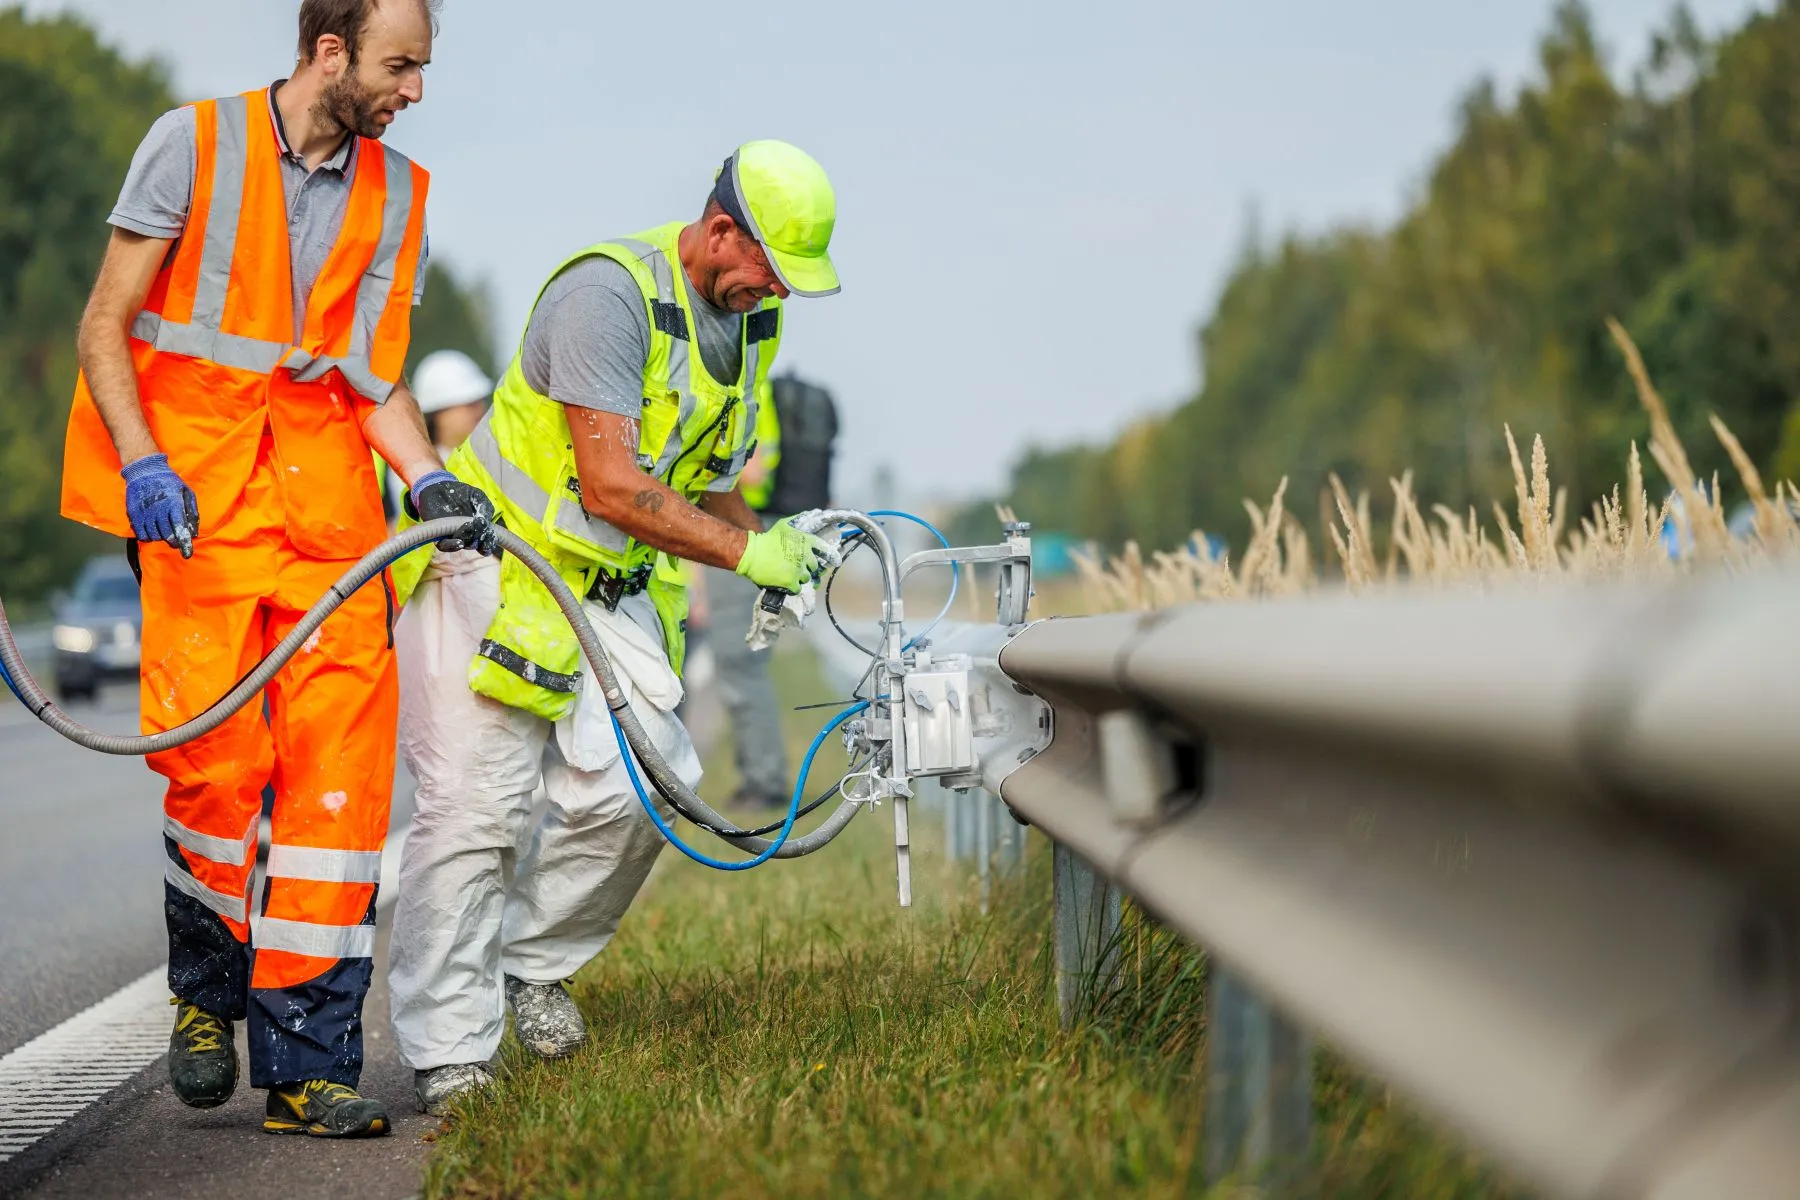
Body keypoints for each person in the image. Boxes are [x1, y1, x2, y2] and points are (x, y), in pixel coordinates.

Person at [59, 0, 495, 1139]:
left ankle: (309, 1068)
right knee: (215, 770)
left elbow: (368, 375)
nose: (414, 91)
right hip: (197, 508)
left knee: (338, 796)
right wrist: (143, 464)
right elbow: (105, 326)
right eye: (400, 65)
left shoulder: (400, 196)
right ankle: (208, 997)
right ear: (331, 51)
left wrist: (426, 477)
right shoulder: (191, 144)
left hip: (334, 527)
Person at [387, 140, 841, 1114]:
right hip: (487, 569)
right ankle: (449, 1048)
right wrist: (740, 557)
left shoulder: (748, 326)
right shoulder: (606, 298)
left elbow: (709, 474)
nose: (779, 297)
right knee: (477, 810)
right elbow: (612, 483)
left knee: (651, 785)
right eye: (770, 271)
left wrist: (771, 551)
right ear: (722, 232)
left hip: (602, 587)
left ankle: (530, 965)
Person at [380, 348, 494, 517]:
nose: (478, 411)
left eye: (478, 401)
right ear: (438, 414)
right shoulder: (414, 471)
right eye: (467, 404)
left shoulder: (495, 458)